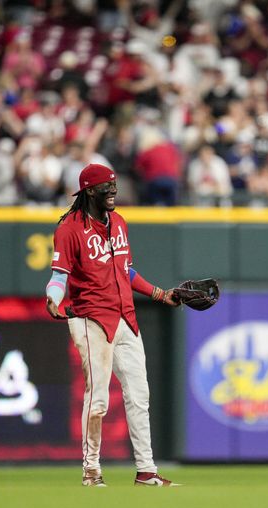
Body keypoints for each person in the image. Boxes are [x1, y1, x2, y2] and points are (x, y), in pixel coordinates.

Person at [45, 163, 181, 487]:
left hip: (126, 318)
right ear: (90, 191)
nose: (114, 192)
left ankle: (146, 471)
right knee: (99, 399)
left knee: (139, 395)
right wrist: (53, 297)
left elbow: (126, 272)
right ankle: (91, 471)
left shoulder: (119, 223)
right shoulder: (69, 228)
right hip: (91, 318)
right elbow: (59, 275)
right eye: (108, 187)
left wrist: (160, 294)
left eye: (115, 186)